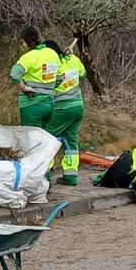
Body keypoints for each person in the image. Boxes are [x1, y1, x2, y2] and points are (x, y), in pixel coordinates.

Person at [46, 41, 88, 185]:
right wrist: (72, 57)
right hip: (78, 107)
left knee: (49, 139)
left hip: (61, 109)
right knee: (71, 141)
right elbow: (82, 75)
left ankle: (45, 174)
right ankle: (71, 175)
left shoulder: (52, 65)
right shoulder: (74, 60)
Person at [9, 25, 62, 129]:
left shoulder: (29, 57)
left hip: (32, 104)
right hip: (49, 105)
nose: (22, 46)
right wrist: (48, 88)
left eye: (22, 42)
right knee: (43, 139)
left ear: (29, 41)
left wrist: (24, 88)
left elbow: (14, 75)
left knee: (31, 141)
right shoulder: (52, 53)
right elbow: (60, 78)